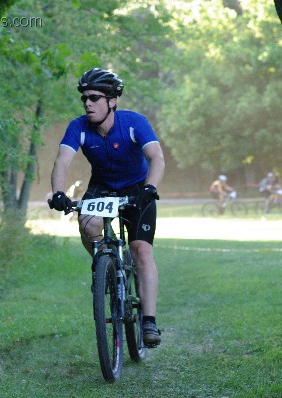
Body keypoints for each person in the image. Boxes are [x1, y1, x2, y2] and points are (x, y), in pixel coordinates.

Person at [49, 68, 165, 347]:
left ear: (112, 101)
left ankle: (149, 321)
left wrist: (150, 188)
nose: (87, 103)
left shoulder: (134, 122)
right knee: (88, 224)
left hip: (138, 187)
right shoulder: (78, 126)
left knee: (141, 250)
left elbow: (157, 157)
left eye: (94, 98)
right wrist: (57, 193)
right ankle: (104, 266)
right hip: (102, 186)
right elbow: (61, 161)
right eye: (84, 98)